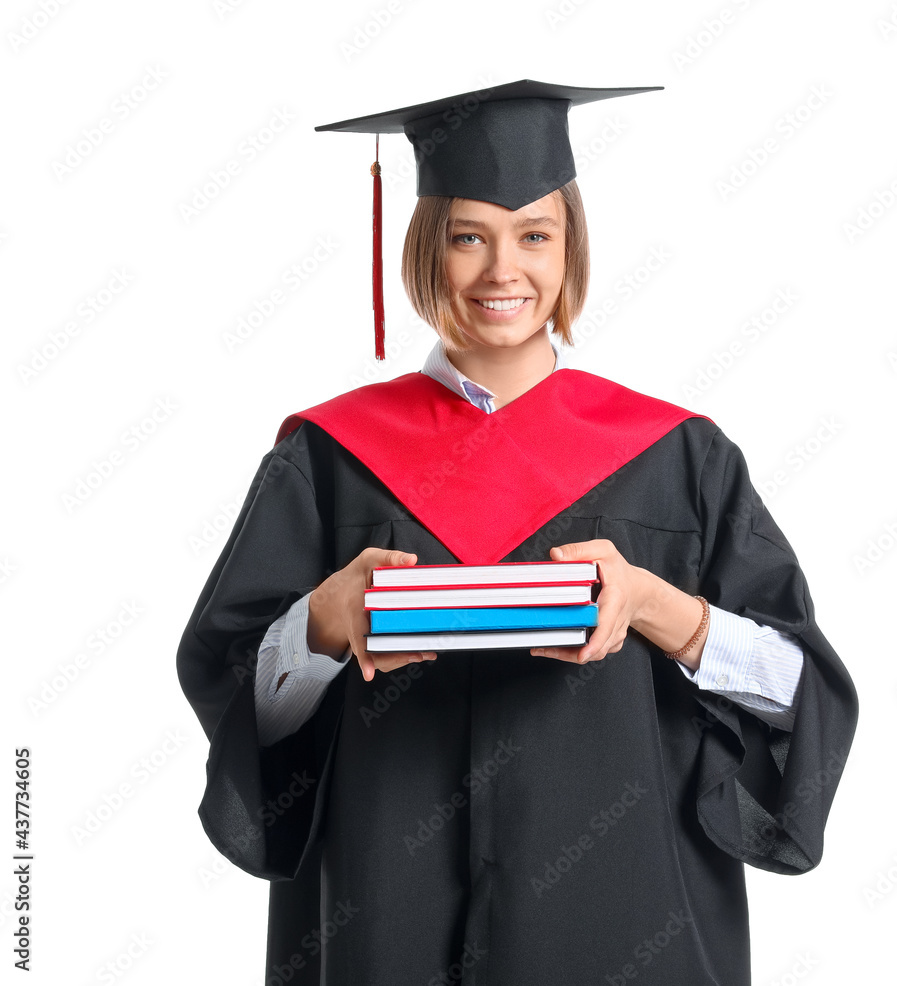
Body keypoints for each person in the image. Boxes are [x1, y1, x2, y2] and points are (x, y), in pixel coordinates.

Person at [178, 81, 858, 986]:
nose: (504, 270)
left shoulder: (678, 458)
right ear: (427, 248)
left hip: (625, 929)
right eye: (469, 236)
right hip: (388, 919)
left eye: (534, 234)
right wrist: (323, 623)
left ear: (569, 247)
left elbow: (796, 695)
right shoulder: (329, 457)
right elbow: (236, 699)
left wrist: (661, 608)